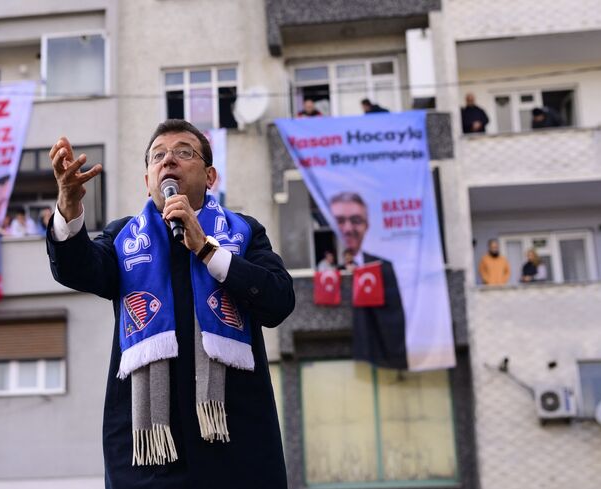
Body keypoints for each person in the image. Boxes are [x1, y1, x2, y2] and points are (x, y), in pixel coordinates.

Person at [46, 119, 294, 488]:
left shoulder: (242, 232)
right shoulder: (123, 239)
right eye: (157, 156)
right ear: (147, 180)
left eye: (183, 152)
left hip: (235, 448)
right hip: (150, 457)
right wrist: (68, 210)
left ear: (210, 176)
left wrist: (208, 249)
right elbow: (79, 269)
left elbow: (278, 300)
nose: (168, 161)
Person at [330, 191, 406, 369]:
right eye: (340, 221)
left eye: (356, 220)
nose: (348, 228)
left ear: (367, 225)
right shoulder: (335, 267)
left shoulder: (384, 267)